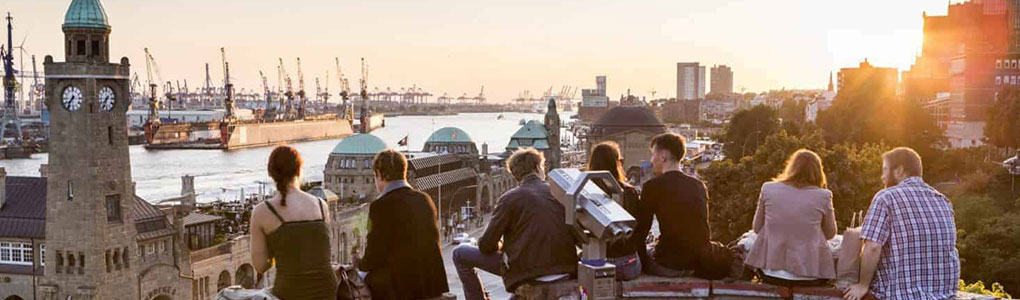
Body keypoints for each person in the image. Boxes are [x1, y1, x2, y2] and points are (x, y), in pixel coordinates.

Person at [452, 148, 579, 300]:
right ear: (538, 167)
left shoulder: (509, 199)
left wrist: (500, 244)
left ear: (515, 174)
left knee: (460, 253)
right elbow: (579, 236)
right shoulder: (561, 194)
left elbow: (486, 245)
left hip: (526, 273)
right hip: (566, 273)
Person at [844, 147, 960, 300]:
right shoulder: (943, 200)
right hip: (944, 294)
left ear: (899, 171)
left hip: (901, 294)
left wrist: (862, 285)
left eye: (885, 170)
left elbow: (872, 247)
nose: (882, 176)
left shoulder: (886, 197)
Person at [250, 146, 337, 300]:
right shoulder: (320, 205)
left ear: (271, 174)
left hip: (291, 291)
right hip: (327, 290)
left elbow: (260, 265)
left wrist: (276, 247)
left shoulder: (262, 211)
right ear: (299, 170)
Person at [359, 149, 449, 299]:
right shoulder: (425, 199)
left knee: (353, 284)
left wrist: (359, 268)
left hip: (403, 288)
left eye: (375, 177)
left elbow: (374, 254)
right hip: (432, 284)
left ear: (381, 175)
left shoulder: (381, 206)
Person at [745, 149, 837, 286]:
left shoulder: (768, 188)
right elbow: (830, 234)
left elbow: (757, 228)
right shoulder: (824, 196)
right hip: (811, 276)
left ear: (791, 167)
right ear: (818, 171)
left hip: (771, 273)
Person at [632, 132, 710, 277]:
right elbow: (703, 230)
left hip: (668, 265)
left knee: (648, 251)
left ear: (663, 156)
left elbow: (641, 232)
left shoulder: (652, 187)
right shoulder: (698, 185)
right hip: (698, 264)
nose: (651, 159)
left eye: (653, 154)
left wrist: (644, 264)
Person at [587, 141, 643, 281]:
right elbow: (638, 228)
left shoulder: (584, 192)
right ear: (617, 163)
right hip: (628, 265)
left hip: (596, 264)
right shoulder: (630, 192)